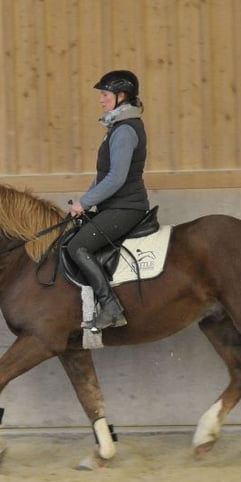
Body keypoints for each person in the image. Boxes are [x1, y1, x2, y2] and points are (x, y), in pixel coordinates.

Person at [67, 70, 150, 330]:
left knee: (77, 247)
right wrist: (85, 202)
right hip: (115, 205)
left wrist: (84, 203)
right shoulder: (117, 126)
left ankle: (111, 306)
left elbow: (116, 178)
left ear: (121, 96)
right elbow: (103, 175)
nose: (101, 100)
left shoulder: (125, 130)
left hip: (126, 207)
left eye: (104, 94)